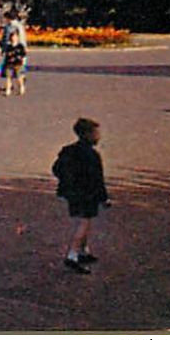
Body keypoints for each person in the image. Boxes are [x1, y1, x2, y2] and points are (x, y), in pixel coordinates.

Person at [53, 117, 109, 273]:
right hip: (87, 194)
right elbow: (98, 179)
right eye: (96, 133)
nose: (99, 137)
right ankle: (73, 255)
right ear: (88, 135)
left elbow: (57, 169)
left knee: (82, 222)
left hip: (73, 192)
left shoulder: (69, 150)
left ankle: (83, 251)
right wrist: (104, 198)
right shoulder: (92, 155)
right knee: (83, 224)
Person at [0, 8, 28, 96]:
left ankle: (21, 85)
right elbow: (4, 38)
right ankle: (9, 87)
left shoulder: (17, 26)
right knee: (8, 72)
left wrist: (22, 49)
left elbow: (22, 39)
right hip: (9, 51)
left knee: (19, 71)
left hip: (17, 51)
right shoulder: (8, 26)